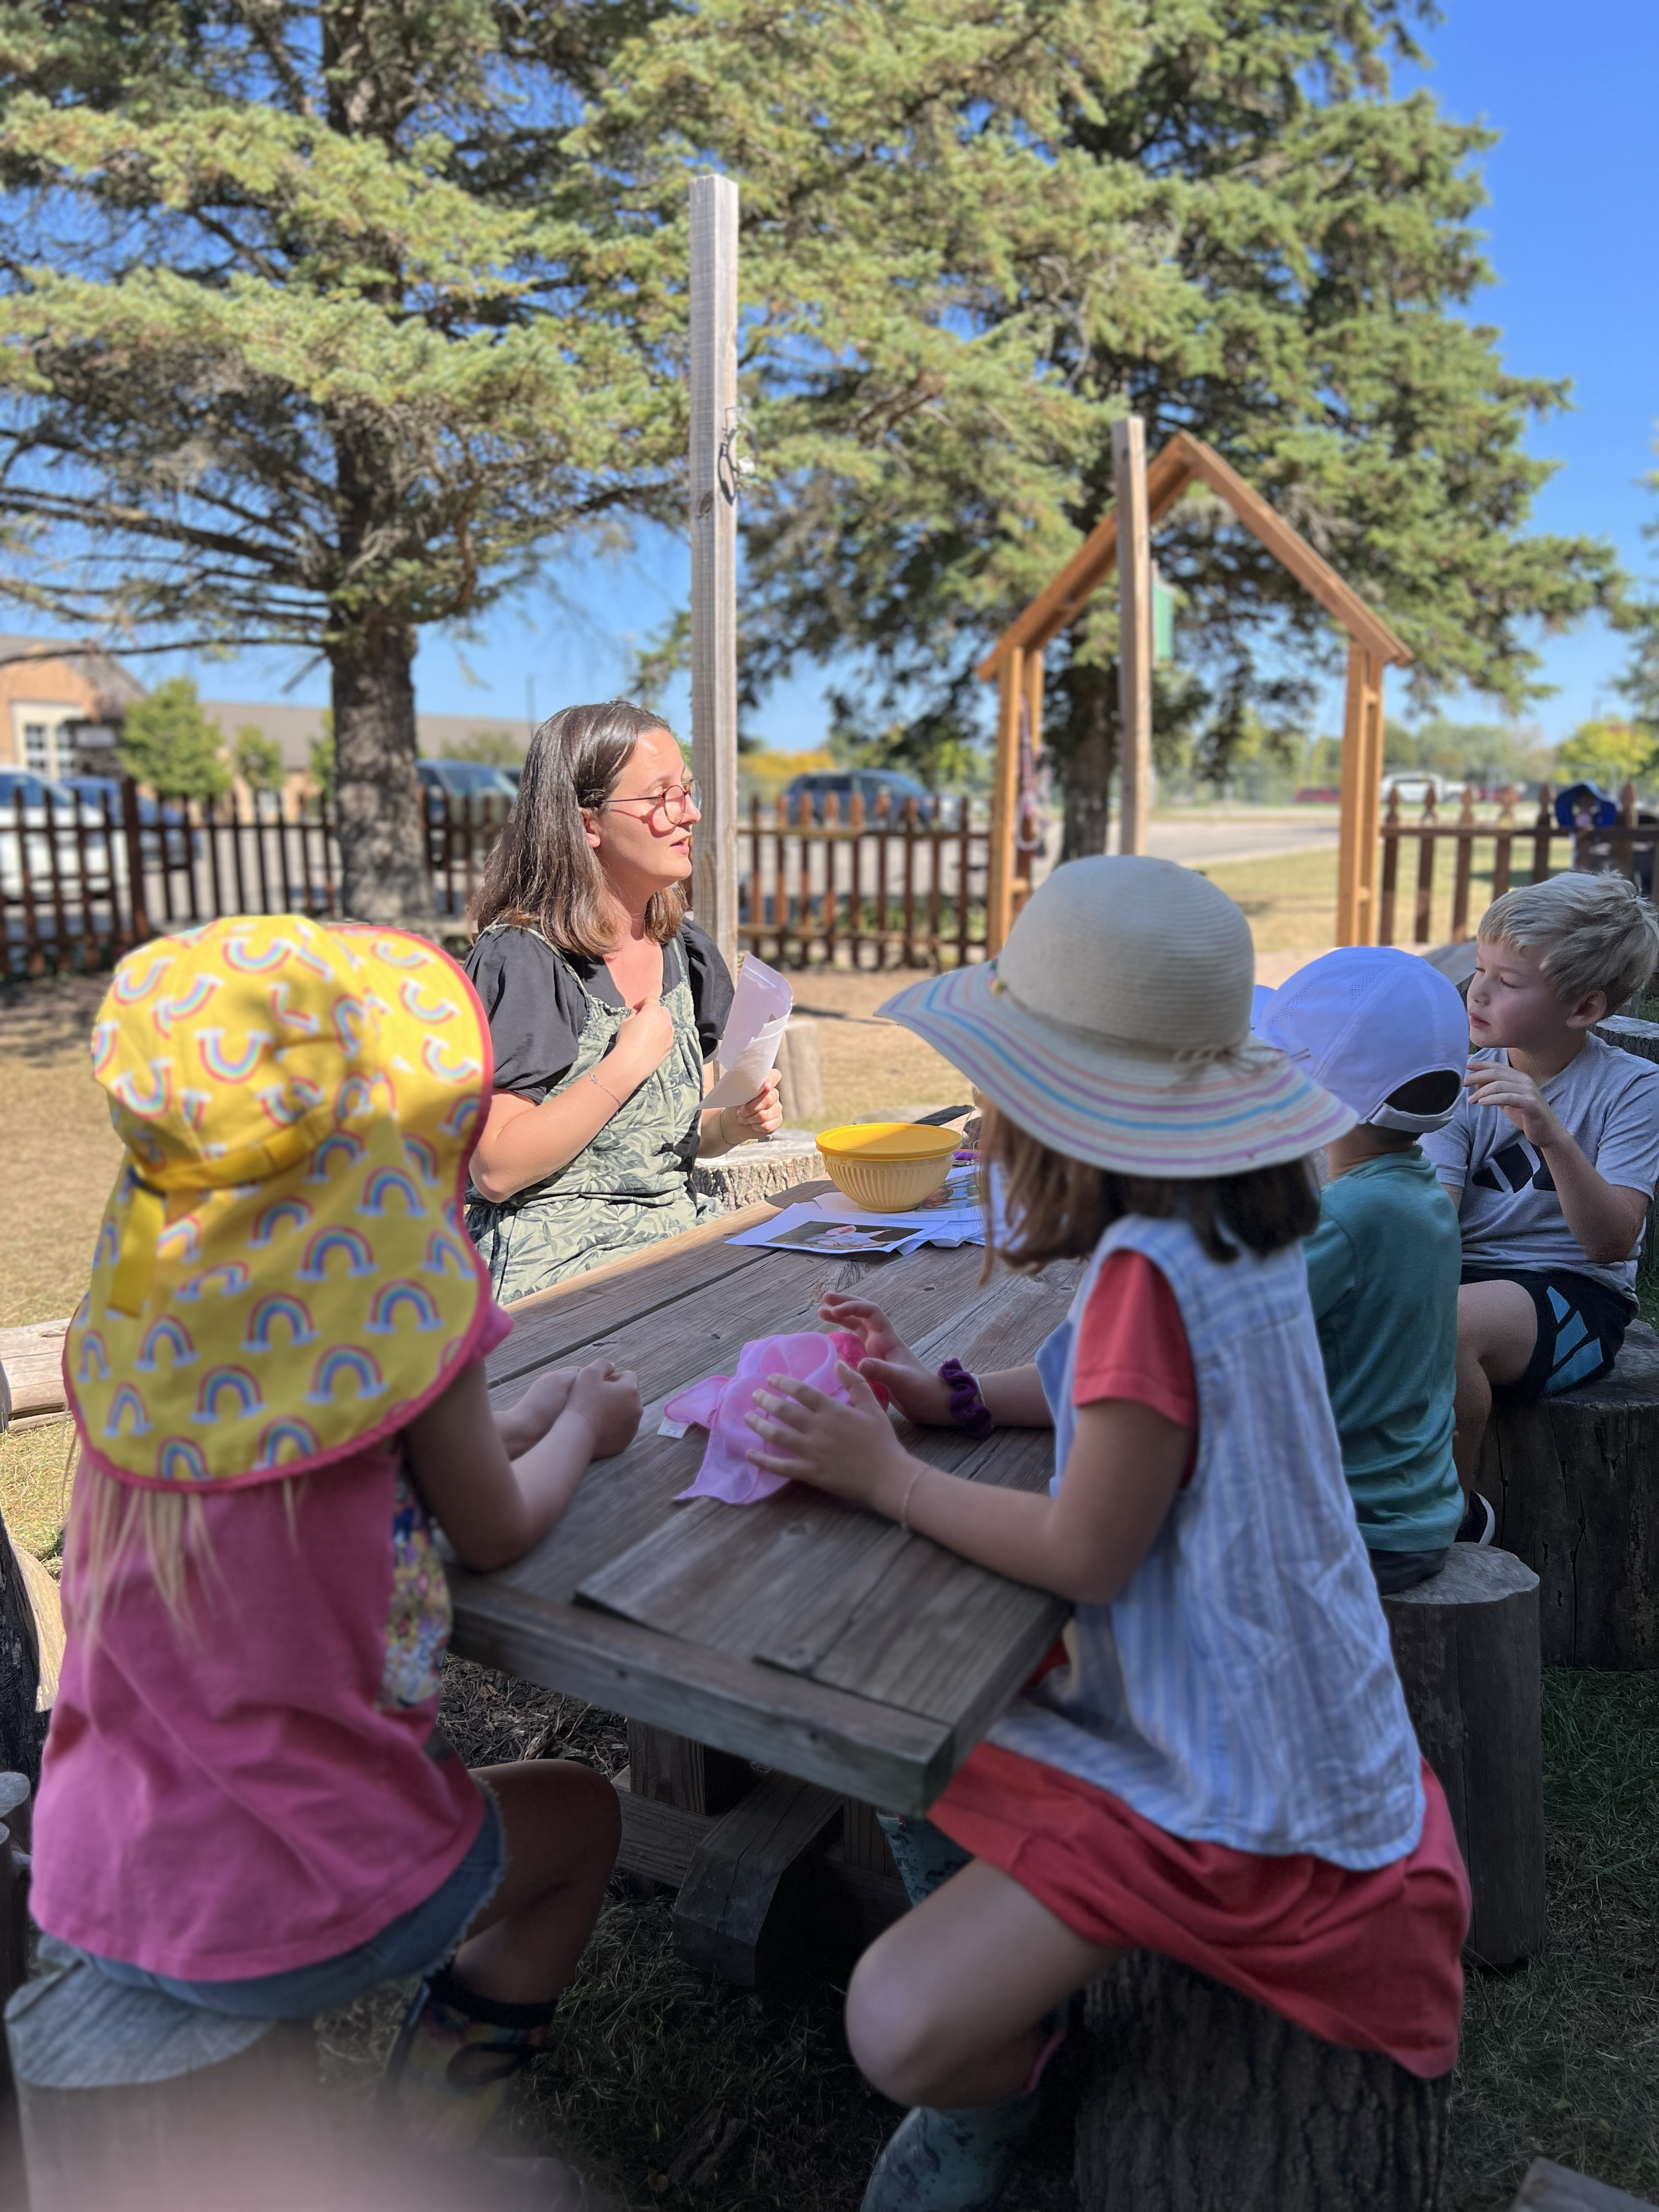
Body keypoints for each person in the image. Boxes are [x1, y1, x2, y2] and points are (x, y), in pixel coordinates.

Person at [743, 858, 1469, 2212]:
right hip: (1275, 1701)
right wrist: (947, 1393)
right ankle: (1014, 1962)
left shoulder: (1146, 1268)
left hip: (1240, 1785)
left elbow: (1087, 1550)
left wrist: (878, 1469)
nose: (978, 1123)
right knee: (917, 1738)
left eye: (992, 1094)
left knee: (893, 2021)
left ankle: (1012, 2080)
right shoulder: (1227, 1227)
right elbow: (1121, 1398)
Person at [32, 914, 643, 2160]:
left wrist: (508, 1412)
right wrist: (579, 1420)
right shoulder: (398, 1293)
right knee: (581, 1820)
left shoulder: (150, 1317)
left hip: (94, 1868)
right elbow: (498, 1524)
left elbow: (366, 1449)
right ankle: (427, 2139)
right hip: (294, 1887)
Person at [465, 700, 782, 1302]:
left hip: (672, 1240)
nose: (688, 814)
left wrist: (731, 1125)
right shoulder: (526, 959)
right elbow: (497, 1168)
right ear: (587, 823)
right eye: (661, 796)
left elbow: (666, 1149)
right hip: (555, 1276)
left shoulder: (682, 950)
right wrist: (624, 1066)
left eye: (686, 790)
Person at [1421, 874, 1659, 1525]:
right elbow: (1435, 1226)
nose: (1478, 990)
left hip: (1574, 1295)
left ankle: (1451, 1512)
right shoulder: (1460, 1078)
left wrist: (1548, 1132)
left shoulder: (1633, 1089)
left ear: (1582, 1009)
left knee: (1443, 1327)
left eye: (1508, 980)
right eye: (1477, 969)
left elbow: (1610, 1243)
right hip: (1467, 1274)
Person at [1252, 948, 1469, 1592]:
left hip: (1352, 1527)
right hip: (1412, 1511)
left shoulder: (1349, 1216)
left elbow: (1211, 1329)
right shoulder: (1418, 1191)